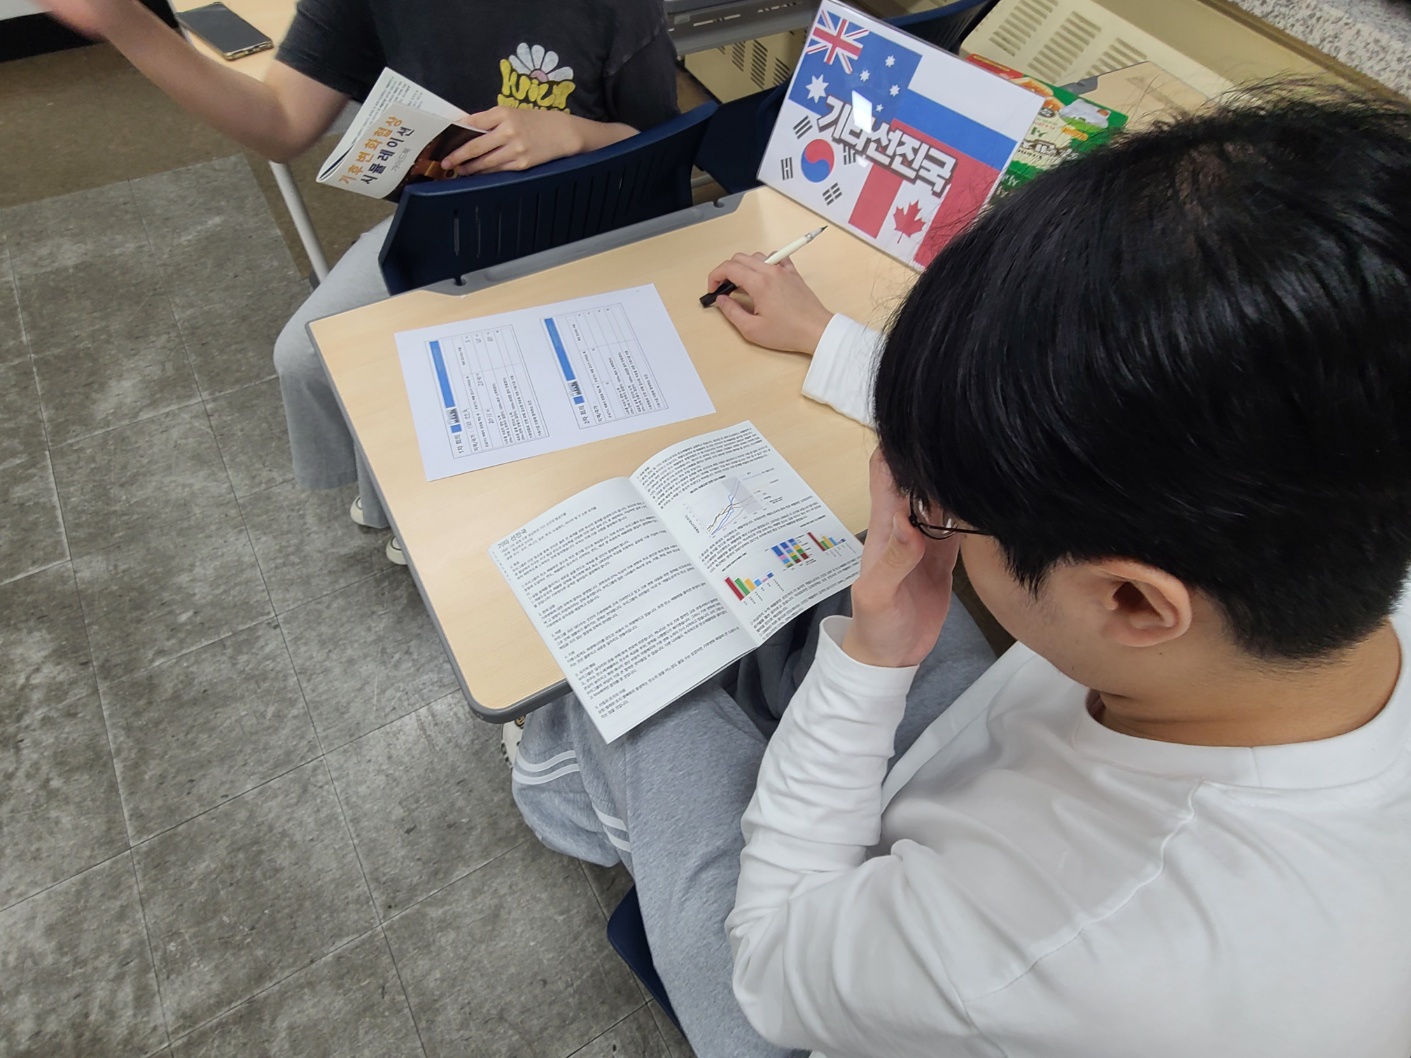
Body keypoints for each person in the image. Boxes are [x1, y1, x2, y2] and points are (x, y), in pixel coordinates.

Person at [510, 88, 1411, 1058]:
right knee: (828, 589)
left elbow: (768, 971)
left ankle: (550, 779)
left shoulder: (1063, 945)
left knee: (635, 679)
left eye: (954, 505)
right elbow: (1127, 428)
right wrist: (829, 339)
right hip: (967, 788)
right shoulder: (1339, 494)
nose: (931, 510)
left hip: (793, 985)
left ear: (1130, 599)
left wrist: (872, 657)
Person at [38, 0, 679, 563]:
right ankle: (402, 495)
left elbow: (666, 150)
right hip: (449, 231)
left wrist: (575, 133)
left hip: (586, 229)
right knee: (308, 354)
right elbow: (281, 122)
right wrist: (128, 24)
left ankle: (475, 505)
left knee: (502, 380)